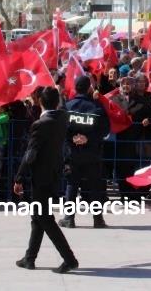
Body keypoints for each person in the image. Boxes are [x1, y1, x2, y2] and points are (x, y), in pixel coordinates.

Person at [13, 87, 78, 273]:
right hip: (54, 176)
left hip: (41, 178)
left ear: (41, 102)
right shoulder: (62, 118)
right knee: (37, 217)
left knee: (45, 218)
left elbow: (30, 154)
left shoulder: (40, 124)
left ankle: (69, 259)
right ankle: (29, 257)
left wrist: (19, 177)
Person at [59, 75, 110, 229]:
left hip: (72, 152)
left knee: (71, 184)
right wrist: (88, 139)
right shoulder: (97, 107)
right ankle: (98, 219)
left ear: (75, 88)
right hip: (92, 153)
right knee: (95, 185)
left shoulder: (67, 106)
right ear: (89, 88)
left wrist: (74, 138)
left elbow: (60, 129)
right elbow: (105, 130)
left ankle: (69, 218)